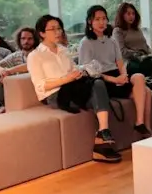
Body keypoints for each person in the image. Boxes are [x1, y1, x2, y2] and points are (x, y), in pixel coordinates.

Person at [27, 14, 124, 163]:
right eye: (53, 29)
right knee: (97, 94)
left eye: (59, 28)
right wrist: (67, 79)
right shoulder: (35, 56)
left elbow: (74, 70)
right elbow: (41, 86)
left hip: (73, 88)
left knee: (98, 83)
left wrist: (80, 72)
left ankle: (103, 132)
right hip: (55, 94)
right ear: (42, 33)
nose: (58, 32)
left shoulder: (63, 50)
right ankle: (102, 143)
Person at [79, 5, 152, 134]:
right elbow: (88, 71)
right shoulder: (86, 42)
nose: (102, 22)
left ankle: (140, 123)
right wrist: (114, 79)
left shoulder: (111, 40)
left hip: (117, 75)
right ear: (90, 21)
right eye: (97, 19)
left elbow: (120, 62)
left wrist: (123, 75)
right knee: (146, 92)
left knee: (139, 78)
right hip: (101, 80)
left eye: (104, 19)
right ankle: (147, 129)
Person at [113, 2, 152, 83]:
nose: (131, 16)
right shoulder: (117, 31)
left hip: (144, 58)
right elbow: (122, 51)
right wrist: (137, 54)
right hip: (129, 61)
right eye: (128, 14)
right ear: (122, 15)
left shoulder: (137, 29)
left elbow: (145, 46)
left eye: (133, 14)